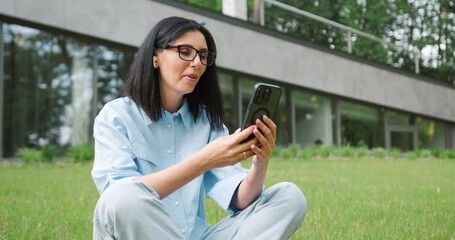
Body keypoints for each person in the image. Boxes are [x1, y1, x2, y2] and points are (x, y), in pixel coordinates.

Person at [91, 16, 307, 240]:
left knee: (289, 196)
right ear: (155, 56)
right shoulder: (116, 116)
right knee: (122, 196)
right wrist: (204, 160)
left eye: (203, 56)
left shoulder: (207, 122)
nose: (197, 63)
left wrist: (260, 163)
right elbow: (118, 201)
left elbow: (240, 200)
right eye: (185, 51)